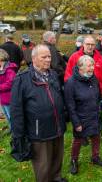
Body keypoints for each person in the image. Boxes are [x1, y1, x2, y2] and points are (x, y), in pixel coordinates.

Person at [10, 44, 67, 182]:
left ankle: (56, 178)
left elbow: (59, 97)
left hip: (57, 126)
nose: (48, 60)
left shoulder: (53, 74)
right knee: (43, 165)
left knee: (57, 158)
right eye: (44, 57)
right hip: (39, 132)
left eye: (49, 56)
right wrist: (18, 135)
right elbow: (16, 110)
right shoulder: (22, 79)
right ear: (34, 58)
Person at [65, 55, 102, 175]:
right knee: (78, 140)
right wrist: (76, 123)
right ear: (80, 67)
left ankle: (95, 157)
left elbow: (97, 96)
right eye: (89, 66)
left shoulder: (94, 79)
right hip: (81, 118)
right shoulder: (71, 83)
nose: (92, 68)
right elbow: (70, 106)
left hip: (94, 115)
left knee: (96, 137)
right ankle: (74, 160)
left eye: (93, 65)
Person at [0, 49, 17, 130]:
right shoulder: (1, 68)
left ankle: (16, 133)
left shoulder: (9, 69)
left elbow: (10, 83)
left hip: (9, 98)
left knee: (12, 117)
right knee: (7, 116)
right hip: (2, 98)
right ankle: (11, 130)